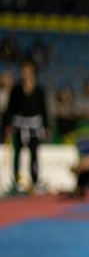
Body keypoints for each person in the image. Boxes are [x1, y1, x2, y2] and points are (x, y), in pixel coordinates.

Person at [2, 59, 49, 194]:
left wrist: (46, 126)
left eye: (27, 71)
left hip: (34, 126)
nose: (25, 74)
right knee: (17, 154)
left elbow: (44, 109)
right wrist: (7, 124)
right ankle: (17, 180)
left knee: (34, 154)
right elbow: (10, 109)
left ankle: (35, 181)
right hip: (19, 125)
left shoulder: (39, 90)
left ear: (32, 73)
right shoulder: (16, 90)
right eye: (23, 71)